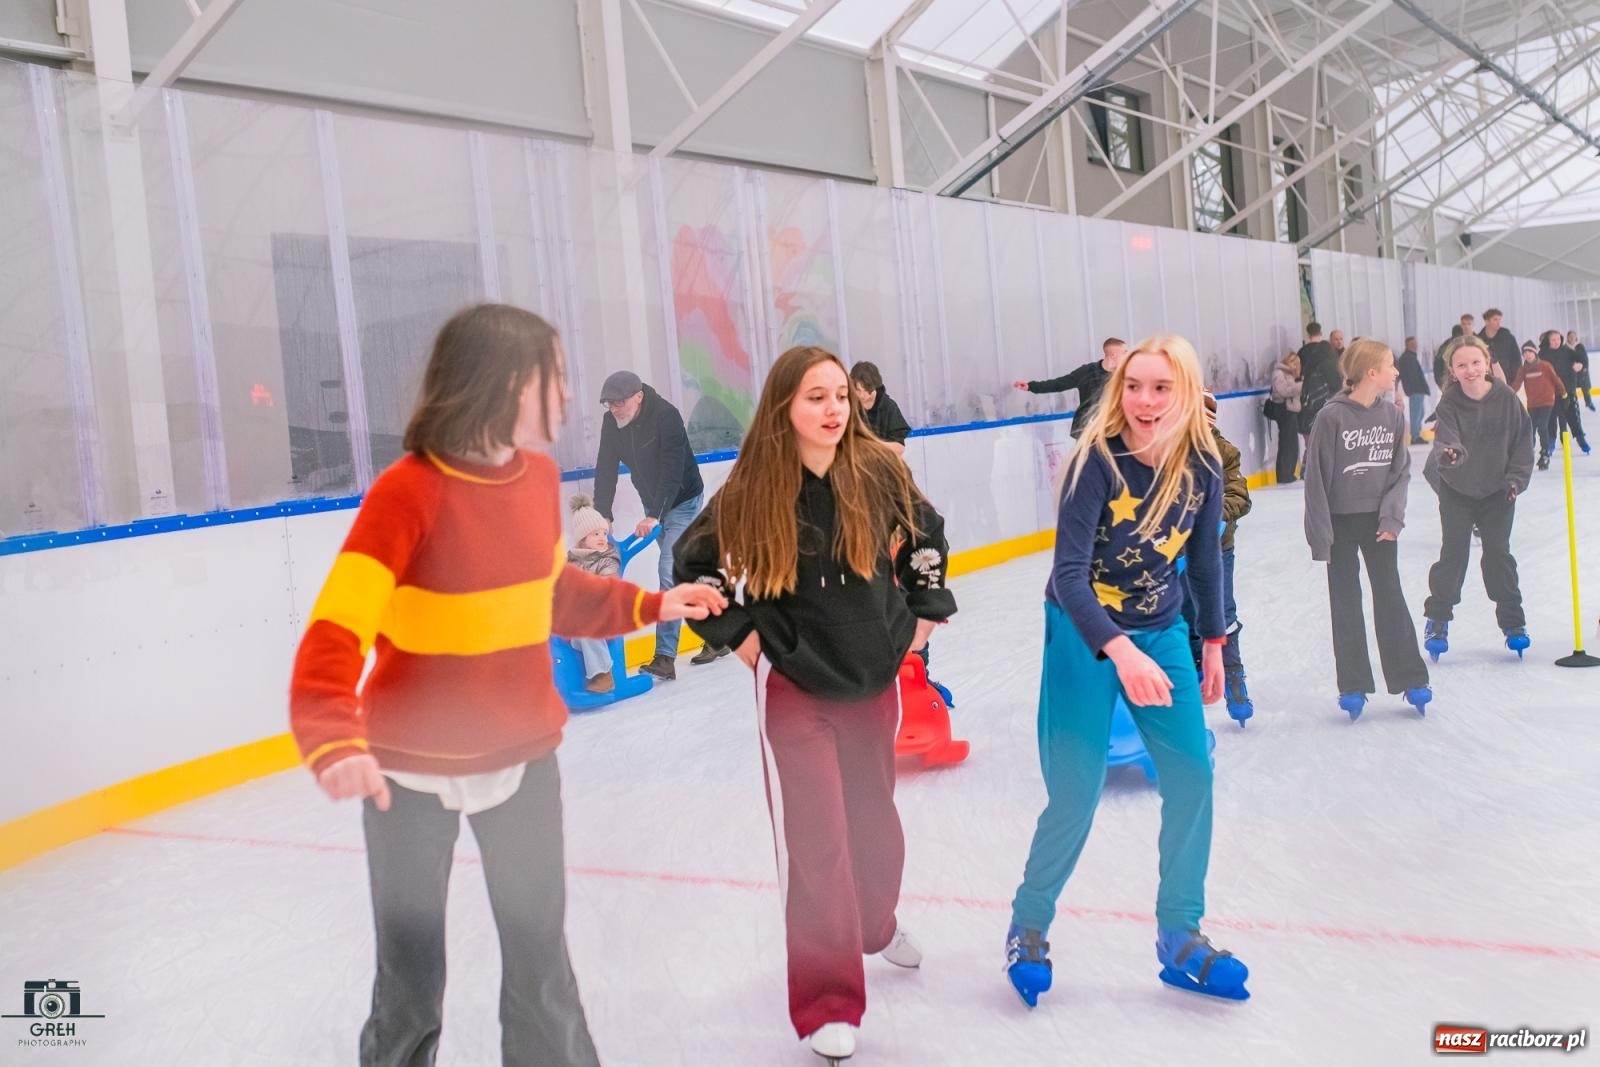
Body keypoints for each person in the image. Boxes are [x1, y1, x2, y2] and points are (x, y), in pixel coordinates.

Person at [287, 304, 725, 1067]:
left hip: (522, 761)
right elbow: (337, 624)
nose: (564, 393)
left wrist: (654, 604)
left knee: (541, 971)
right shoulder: (407, 491)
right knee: (409, 985)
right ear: (499, 382)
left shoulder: (539, 480)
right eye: (550, 376)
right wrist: (330, 733)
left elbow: (554, 593)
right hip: (407, 774)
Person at [673, 345, 957, 1064]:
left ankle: (877, 921)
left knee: (874, 827)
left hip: (872, 683)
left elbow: (928, 540)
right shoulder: (755, 484)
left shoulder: (880, 470)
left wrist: (920, 620)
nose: (833, 409)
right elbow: (694, 564)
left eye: (839, 395)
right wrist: (740, 638)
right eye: (815, 398)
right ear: (784, 408)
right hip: (798, 691)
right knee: (819, 844)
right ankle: (828, 999)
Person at [1005, 334, 1249, 1011]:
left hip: (1163, 627)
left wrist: (1211, 645)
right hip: (1082, 632)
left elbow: (1204, 563)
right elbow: (1068, 575)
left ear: (1186, 393)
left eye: (1161, 388)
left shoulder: (1201, 464)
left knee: (1193, 770)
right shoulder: (1098, 464)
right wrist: (1120, 648)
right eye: (1135, 386)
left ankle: (1180, 935)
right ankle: (1029, 922)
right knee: (1077, 790)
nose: (1144, 400)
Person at [1302, 338, 1432, 721]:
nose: (1396, 371)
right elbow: (1317, 481)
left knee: (1390, 596)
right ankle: (1353, 684)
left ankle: (1410, 677)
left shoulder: (1393, 416)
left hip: (1378, 524)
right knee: (1345, 602)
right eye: (1391, 365)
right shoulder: (1331, 417)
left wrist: (1392, 519)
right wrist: (1320, 535)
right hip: (1340, 524)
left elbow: (1400, 472)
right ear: (1371, 373)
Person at [1421, 335, 1535, 659]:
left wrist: (1516, 480)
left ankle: (1514, 623)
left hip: (1499, 490)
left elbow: (1523, 443)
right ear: (1453, 371)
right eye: (1462, 365)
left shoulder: (1507, 399)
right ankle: (1438, 619)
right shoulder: (1450, 402)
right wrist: (1452, 453)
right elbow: (1446, 438)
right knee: (1454, 554)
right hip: (1457, 489)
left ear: (1486, 362)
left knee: (1498, 554)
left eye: (1475, 362)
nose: (1470, 369)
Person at [593, 370, 708, 679]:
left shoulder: (666, 416)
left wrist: (655, 515)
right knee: (682, 574)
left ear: (638, 397)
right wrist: (602, 513)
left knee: (669, 572)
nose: (613, 409)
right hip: (653, 503)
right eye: (608, 404)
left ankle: (665, 657)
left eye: (619, 402)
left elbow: (672, 471)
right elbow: (605, 468)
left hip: (682, 501)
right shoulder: (612, 423)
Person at [1181, 392, 1254, 725]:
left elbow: (1239, 495)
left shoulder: (1224, 452)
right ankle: (1197, 669)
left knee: (1222, 610)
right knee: (1184, 610)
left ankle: (1233, 673)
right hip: (1177, 551)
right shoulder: (1169, 452)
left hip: (1216, 548)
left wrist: (1217, 516)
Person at [1013, 337, 1127, 437]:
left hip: (1112, 431)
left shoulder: (1125, 376)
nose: (1127, 356)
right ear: (1113, 354)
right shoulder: (1087, 372)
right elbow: (1060, 383)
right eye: (1124, 352)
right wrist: (1031, 386)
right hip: (1087, 430)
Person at [566, 494, 623, 693]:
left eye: (604, 533)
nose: (602, 538)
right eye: (595, 534)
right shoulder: (571, 560)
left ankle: (603, 675)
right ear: (582, 539)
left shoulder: (607, 559)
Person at [1510, 340, 1564, 471]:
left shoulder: (1545, 366)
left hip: (1546, 401)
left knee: (1542, 426)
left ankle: (1545, 454)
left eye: (1530, 352)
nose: (1527, 355)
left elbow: (1556, 379)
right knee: (1530, 429)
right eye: (1525, 353)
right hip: (1533, 403)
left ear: (1535, 353)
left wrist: (1563, 393)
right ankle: (1528, 454)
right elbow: (1516, 384)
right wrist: (1507, 394)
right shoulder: (1523, 370)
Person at [1543, 329, 1592, 456]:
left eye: (1558, 339)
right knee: (1551, 419)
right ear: (1548, 341)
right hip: (1550, 393)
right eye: (1553, 340)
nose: (1556, 342)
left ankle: (1581, 440)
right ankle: (1551, 442)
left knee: (1574, 418)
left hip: (1568, 391)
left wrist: (1581, 365)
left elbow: (1581, 358)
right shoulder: (1543, 354)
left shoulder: (1567, 351)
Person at [849, 361, 911, 454]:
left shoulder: (889, 408)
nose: (855, 394)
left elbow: (899, 448)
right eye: (853, 389)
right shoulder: (848, 406)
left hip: (882, 465)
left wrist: (872, 444)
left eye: (858, 390)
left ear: (871, 389)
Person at [1297, 322, 1342, 437]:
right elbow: (1337, 385)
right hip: (1328, 406)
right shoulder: (1330, 363)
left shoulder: (1303, 352)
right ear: (1321, 333)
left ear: (1307, 334)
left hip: (1310, 407)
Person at [1267, 352, 1303, 483]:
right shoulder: (1279, 373)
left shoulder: (1291, 374)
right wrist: (1300, 386)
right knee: (1286, 443)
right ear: (1288, 362)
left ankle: (1290, 472)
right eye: (1294, 363)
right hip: (1284, 410)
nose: (1297, 366)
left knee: (1292, 443)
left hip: (1291, 410)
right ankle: (1284, 474)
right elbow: (1283, 391)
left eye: (1298, 363)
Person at [1396, 336, 1431, 444]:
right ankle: (1415, 436)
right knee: (1416, 413)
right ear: (1408, 345)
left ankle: (1417, 434)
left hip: (1417, 389)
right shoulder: (1407, 358)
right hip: (1415, 390)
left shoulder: (1410, 357)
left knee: (1420, 412)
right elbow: (1410, 376)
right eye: (1413, 344)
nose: (1416, 345)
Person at [1478, 308, 1519, 384]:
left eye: (1500, 319)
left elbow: (1516, 359)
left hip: (1508, 380)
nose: (1498, 322)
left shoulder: (1508, 337)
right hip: (1486, 381)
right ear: (1487, 321)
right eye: (1495, 319)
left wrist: (1514, 379)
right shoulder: (1479, 341)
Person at [1434, 321, 1468, 389]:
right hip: (1462, 380)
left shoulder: (1444, 346)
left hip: (1446, 380)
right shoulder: (1465, 343)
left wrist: (1440, 383)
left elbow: (1437, 364)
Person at [1569, 330, 1595, 412]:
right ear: (1568, 338)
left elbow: (1585, 358)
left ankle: (1589, 402)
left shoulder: (1580, 346)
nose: (1572, 338)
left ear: (1576, 337)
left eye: (1573, 336)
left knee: (1585, 388)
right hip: (1572, 372)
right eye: (1570, 336)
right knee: (1571, 389)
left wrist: (1585, 368)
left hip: (1582, 371)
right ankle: (1573, 405)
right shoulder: (1566, 348)